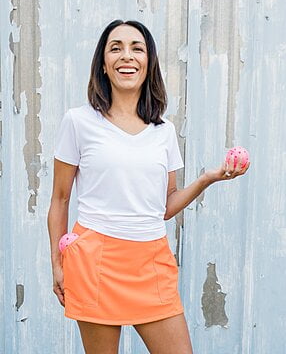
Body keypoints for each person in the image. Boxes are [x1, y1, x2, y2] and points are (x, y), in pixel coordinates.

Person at [47, 19, 250, 354]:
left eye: (136, 48)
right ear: (103, 63)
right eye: (116, 48)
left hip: (151, 260)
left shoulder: (163, 131)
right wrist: (57, 262)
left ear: (148, 61)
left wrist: (206, 179)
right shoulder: (78, 122)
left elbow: (164, 207)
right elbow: (60, 198)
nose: (127, 56)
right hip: (94, 259)